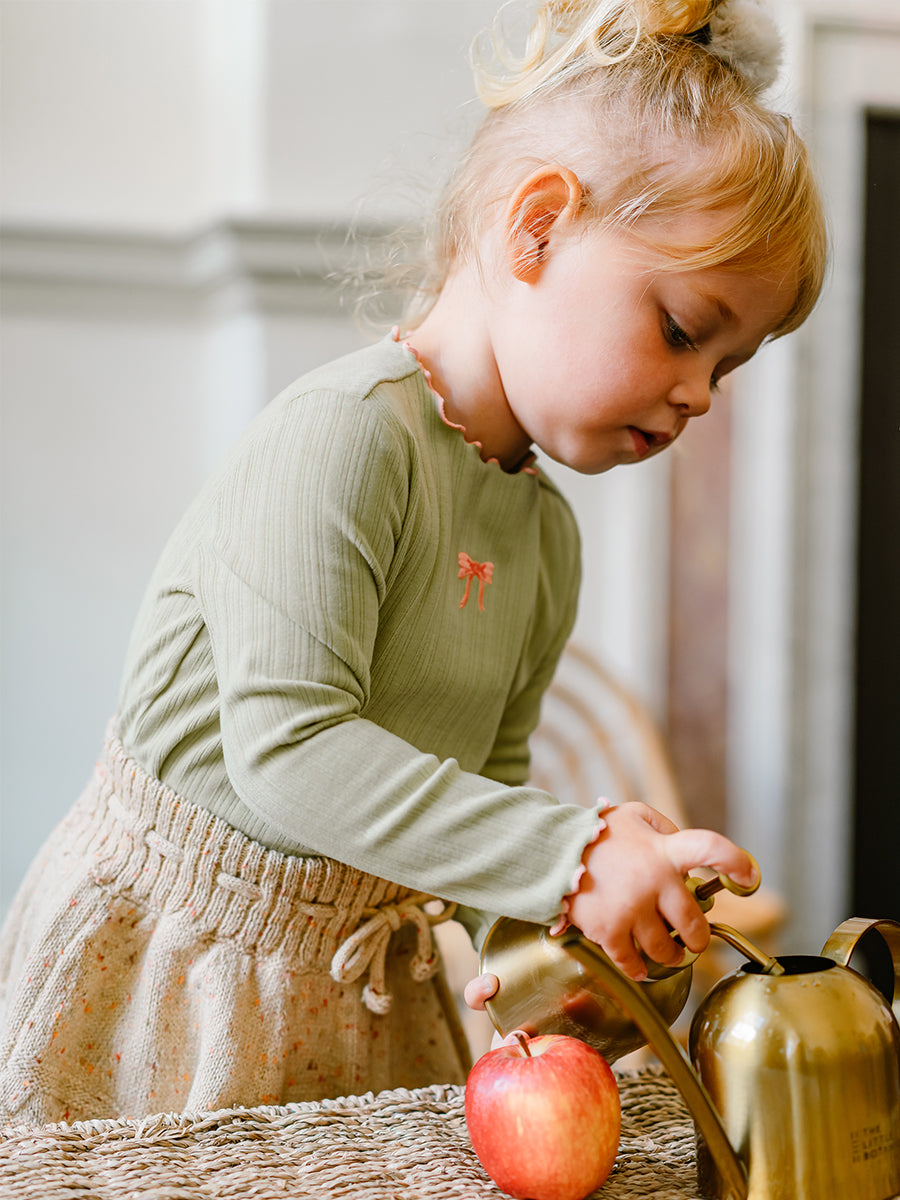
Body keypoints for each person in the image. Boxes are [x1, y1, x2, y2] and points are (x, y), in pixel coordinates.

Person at [0, 0, 826, 1125]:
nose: (698, 394)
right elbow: (288, 752)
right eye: (684, 329)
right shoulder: (344, 437)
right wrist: (573, 852)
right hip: (185, 988)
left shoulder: (544, 539)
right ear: (538, 229)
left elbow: (481, 796)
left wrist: (557, 946)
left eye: (726, 367)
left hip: (367, 995)